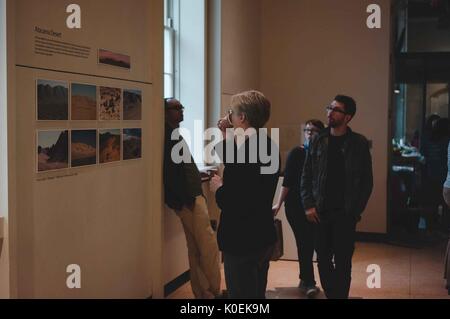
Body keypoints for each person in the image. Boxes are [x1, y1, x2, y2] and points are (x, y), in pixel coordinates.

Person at [301, 95, 373, 299]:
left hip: (345, 213)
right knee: (322, 259)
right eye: (329, 108)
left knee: (343, 261)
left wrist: (355, 211)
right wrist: (308, 205)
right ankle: (333, 294)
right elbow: (306, 175)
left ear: (348, 117)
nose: (329, 113)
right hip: (320, 211)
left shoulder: (358, 143)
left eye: (336, 110)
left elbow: (367, 181)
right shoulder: (318, 139)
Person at [209, 90, 280, 299]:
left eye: (232, 112)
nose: (229, 116)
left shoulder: (246, 150)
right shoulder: (267, 144)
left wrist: (219, 187)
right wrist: (223, 132)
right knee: (256, 292)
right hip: (262, 233)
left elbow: (234, 200)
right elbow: (236, 164)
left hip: (242, 238)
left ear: (242, 117)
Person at [163, 98, 221, 299]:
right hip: (189, 200)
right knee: (208, 246)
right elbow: (170, 174)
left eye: (181, 107)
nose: (181, 111)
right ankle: (213, 290)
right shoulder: (168, 136)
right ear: (165, 112)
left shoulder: (174, 134)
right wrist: (184, 200)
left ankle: (202, 292)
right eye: (176, 108)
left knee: (196, 248)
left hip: (190, 198)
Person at [272, 119, 325, 298]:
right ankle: (309, 282)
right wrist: (278, 204)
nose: (310, 133)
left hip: (316, 206)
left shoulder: (323, 155)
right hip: (295, 206)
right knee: (304, 243)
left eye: (314, 130)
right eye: (307, 130)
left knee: (313, 243)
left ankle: (305, 279)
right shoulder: (297, 153)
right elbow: (287, 182)